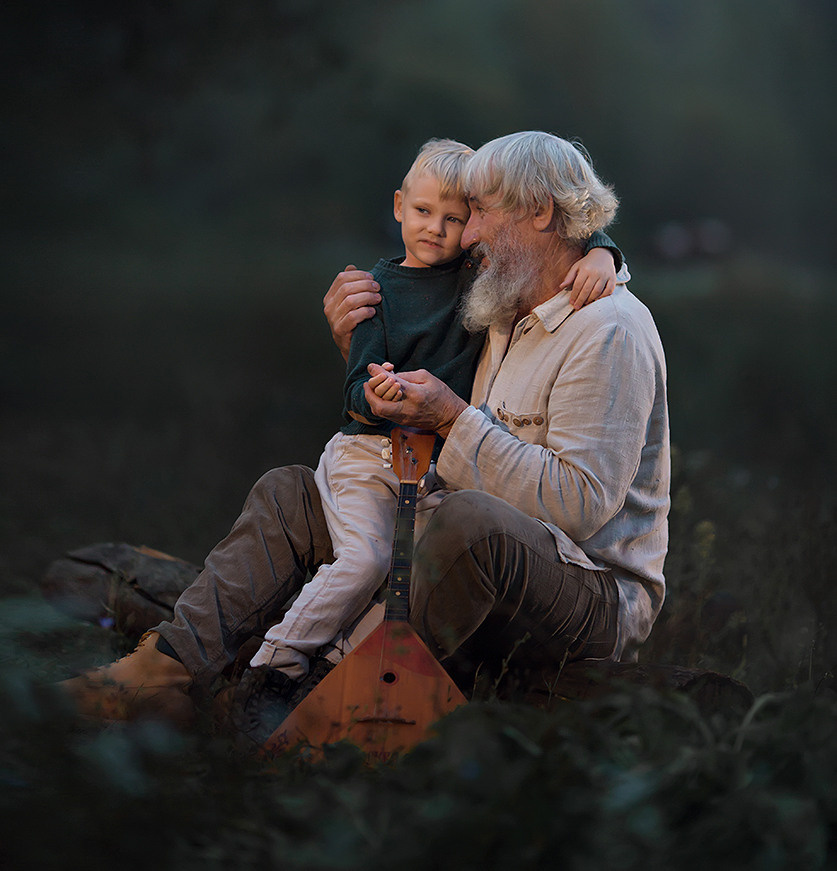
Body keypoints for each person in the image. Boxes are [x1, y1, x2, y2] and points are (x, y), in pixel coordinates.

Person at [61, 130, 667, 726]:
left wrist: (452, 420)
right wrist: (361, 351)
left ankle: (306, 709)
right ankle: (164, 672)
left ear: (539, 212)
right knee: (290, 493)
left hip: (586, 593)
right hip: (452, 541)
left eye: (478, 211)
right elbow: (422, 354)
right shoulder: (505, 305)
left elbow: (580, 506)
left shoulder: (607, 329)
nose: (467, 232)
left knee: (465, 523)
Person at [247, 137, 618, 683]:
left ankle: (335, 674)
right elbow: (359, 384)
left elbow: (563, 222)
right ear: (399, 207)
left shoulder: (488, 280)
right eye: (423, 212)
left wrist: (604, 251)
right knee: (351, 545)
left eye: (464, 215)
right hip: (372, 452)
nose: (448, 231)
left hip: (448, 478)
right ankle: (263, 662)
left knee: (419, 554)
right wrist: (372, 394)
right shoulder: (383, 290)